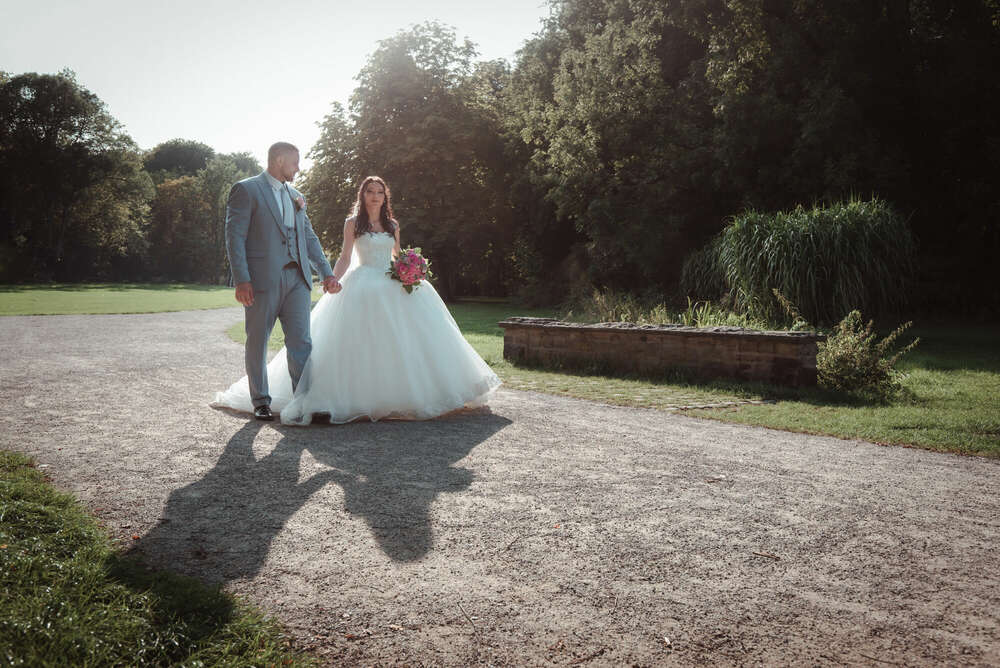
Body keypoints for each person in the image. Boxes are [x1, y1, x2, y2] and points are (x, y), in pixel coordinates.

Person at [214, 176, 501, 425]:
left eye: (379, 192)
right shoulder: (353, 223)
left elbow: (397, 255)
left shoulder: (392, 224)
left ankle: (402, 394)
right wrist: (333, 278)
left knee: (402, 341)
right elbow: (345, 256)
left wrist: (411, 269)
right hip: (361, 283)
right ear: (362, 195)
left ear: (385, 196)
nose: (375, 196)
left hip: (392, 285)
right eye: (370, 191)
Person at [219, 142, 340, 421]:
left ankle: (304, 402)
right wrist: (242, 279)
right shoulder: (246, 189)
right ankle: (260, 400)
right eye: (295, 162)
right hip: (261, 280)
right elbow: (234, 237)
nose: (299, 168)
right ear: (279, 159)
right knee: (258, 339)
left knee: (302, 341)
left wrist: (327, 273)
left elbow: (309, 238)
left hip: (297, 278)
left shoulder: (297, 195)